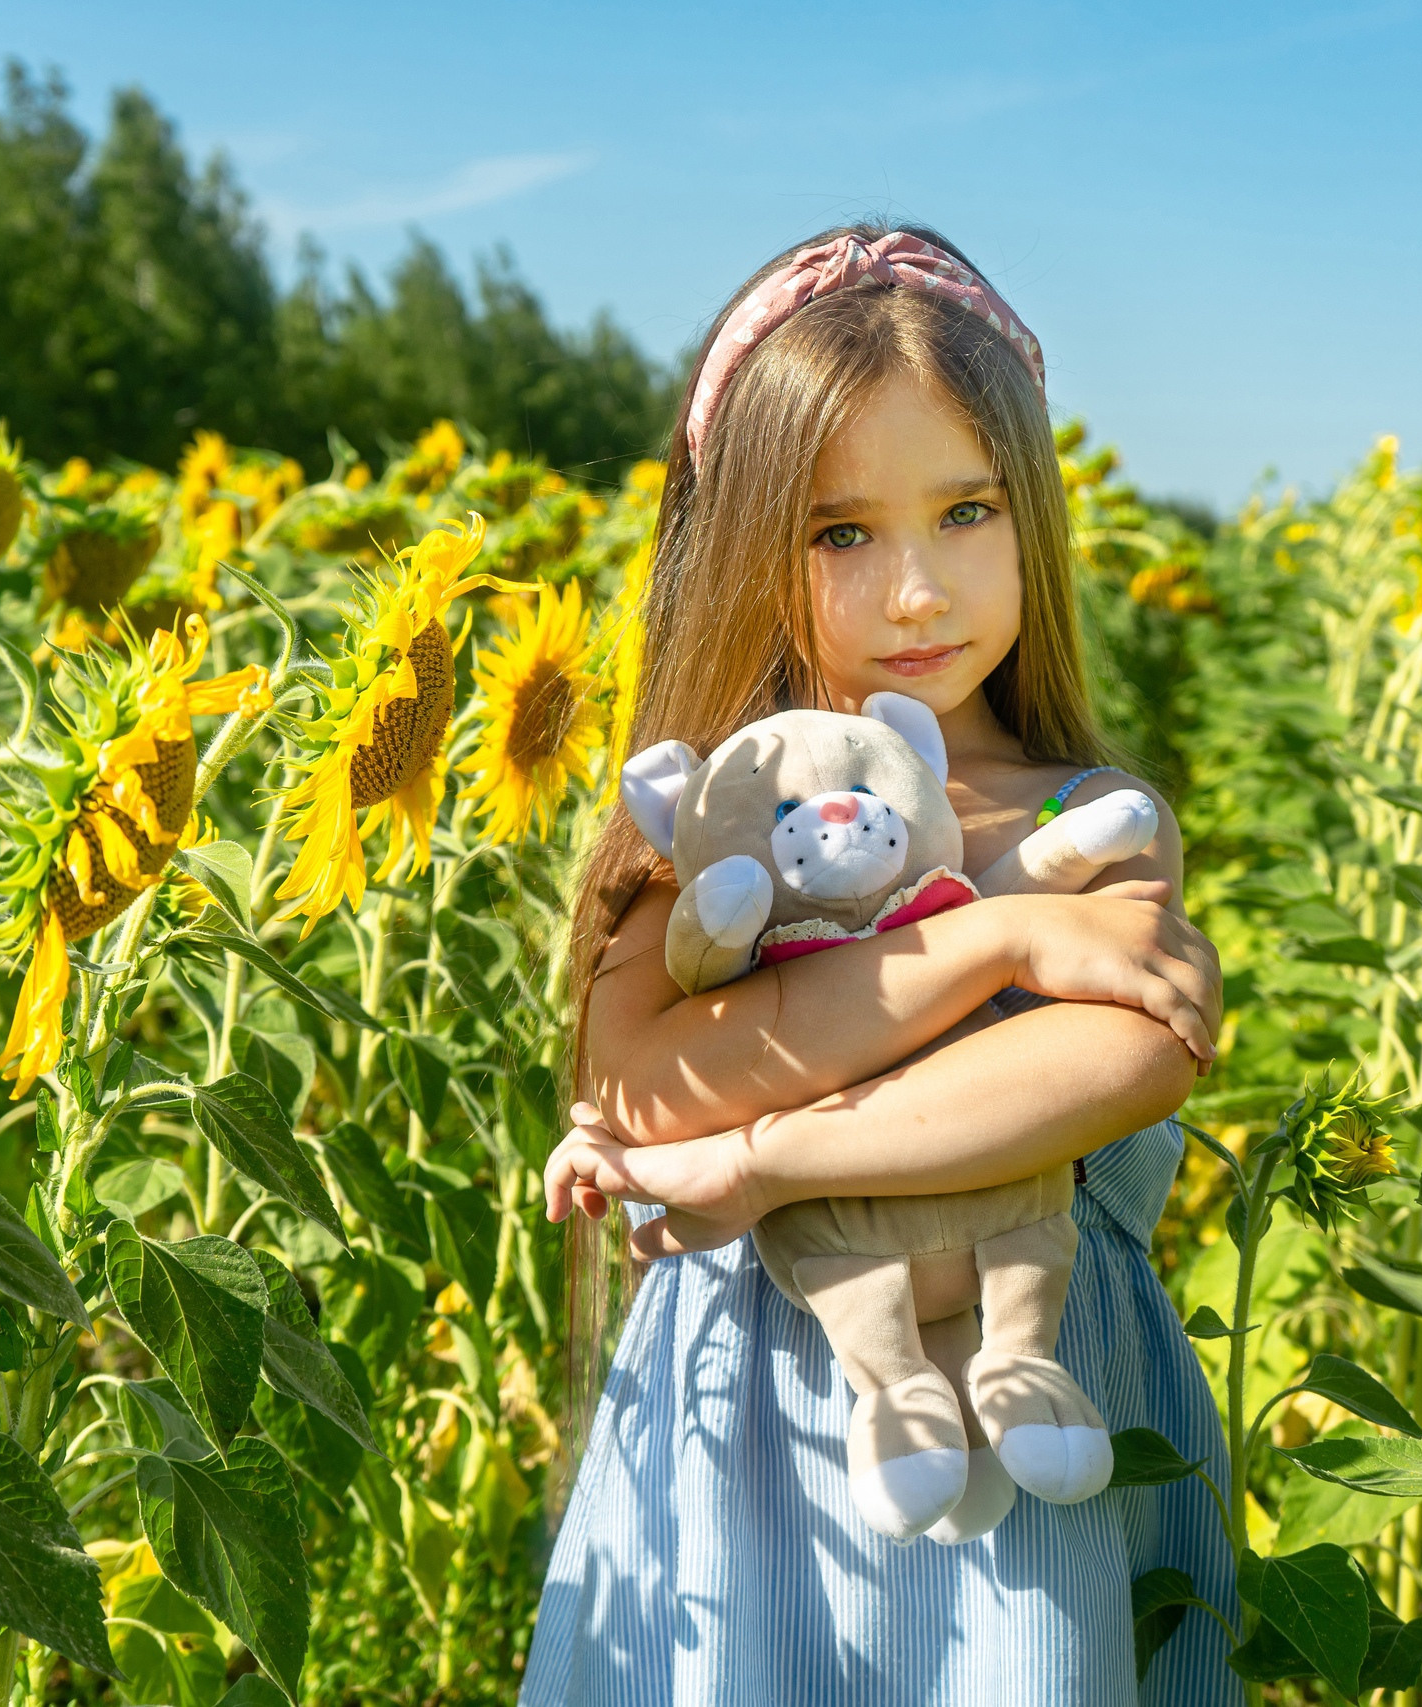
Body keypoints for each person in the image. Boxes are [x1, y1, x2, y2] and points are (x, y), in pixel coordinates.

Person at [523, 225, 1237, 1705]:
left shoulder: (1087, 819)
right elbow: (647, 1092)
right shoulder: (714, 825)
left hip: (1024, 1416)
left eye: (966, 511)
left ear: (1032, 519)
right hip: (746, 1442)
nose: (917, 591)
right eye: (841, 534)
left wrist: (771, 1164)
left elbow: (1122, 1054)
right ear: (740, 553)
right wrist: (999, 934)